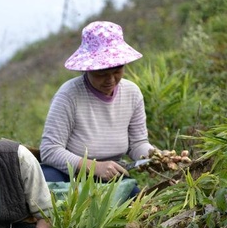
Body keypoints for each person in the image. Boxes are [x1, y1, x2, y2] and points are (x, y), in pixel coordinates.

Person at [39, 21, 155, 196]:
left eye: (117, 71)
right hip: (69, 174)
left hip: (110, 174)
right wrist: (94, 167)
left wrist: (157, 156)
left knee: (137, 201)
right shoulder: (69, 95)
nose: (110, 80)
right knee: (48, 187)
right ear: (88, 69)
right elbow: (50, 149)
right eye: (101, 74)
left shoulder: (132, 93)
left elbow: (137, 144)